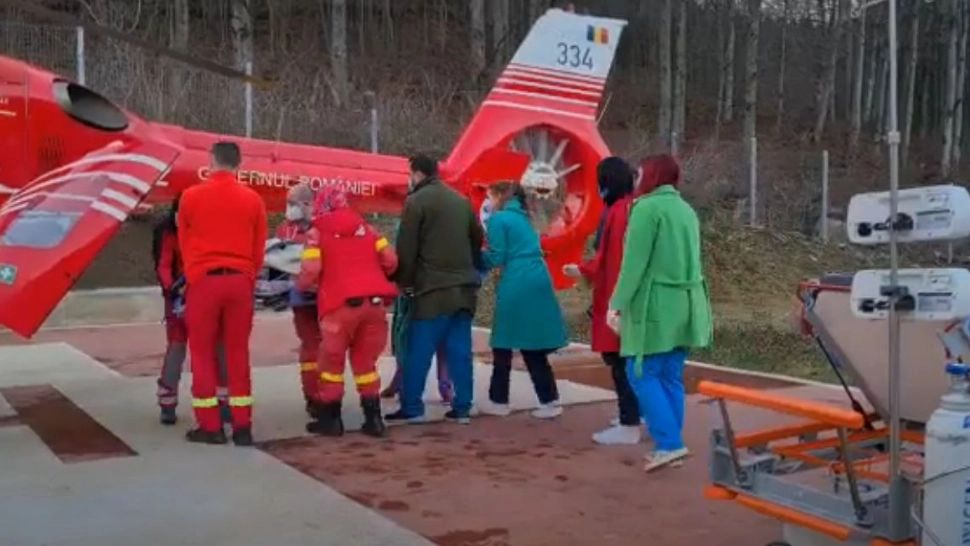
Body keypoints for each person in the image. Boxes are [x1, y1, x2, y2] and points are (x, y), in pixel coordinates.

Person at [608, 154, 713, 471]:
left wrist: (617, 303)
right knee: (669, 375)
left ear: (650, 176)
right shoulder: (686, 210)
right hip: (688, 302)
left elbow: (633, 264)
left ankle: (669, 443)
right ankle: (670, 441)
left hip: (656, 304)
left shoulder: (646, 209)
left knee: (640, 372)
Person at [178, 141, 268, 446]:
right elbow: (259, 248)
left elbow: (184, 241)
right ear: (239, 165)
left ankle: (210, 425)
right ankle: (242, 426)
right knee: (237, 352)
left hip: (204, 280)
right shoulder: (253, 200)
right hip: (241, 280)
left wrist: (194, 273)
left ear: (210, 161)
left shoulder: (191, 197)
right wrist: (248, 276)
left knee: (202, 353)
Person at [385, 155, 484, 424]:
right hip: (464, 290)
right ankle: (462, 406)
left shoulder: (416, 202)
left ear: (416, 173)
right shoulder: (462, 202)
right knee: (460, 352)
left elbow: (406, 249)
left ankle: (413, 407)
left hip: (431, 291)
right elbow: (477, 241)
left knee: (418, 351)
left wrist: (402, 283)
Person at [296, 186, 398, 437]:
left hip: (339, 306)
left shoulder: (316, 232)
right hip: (374, 305)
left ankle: (331, 420)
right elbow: (391, 260)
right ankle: (374, 420)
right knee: (365, 363)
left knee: (331, 363)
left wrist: (301, 286)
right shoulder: (368, 229)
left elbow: (311, 269)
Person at [563, 157, 642, 445]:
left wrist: (582, 270)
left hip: (614, 296)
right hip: (623, 295)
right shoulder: (631, 208)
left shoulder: (617, 213)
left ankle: (629, 421)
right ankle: (634, 414)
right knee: (628, 359)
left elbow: (611, 259)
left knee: (620, 360)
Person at [477, 181, 568, 419]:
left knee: (503, 341)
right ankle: (549, 400)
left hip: (517, 279)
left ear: (499, 195)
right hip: (538, 276)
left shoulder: (499, 219)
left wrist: (475, 256)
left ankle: (499, 400)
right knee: (532, 344)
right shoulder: (524, 218)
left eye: (490, 194)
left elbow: (496, 256)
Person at [276, 182, 322, 417]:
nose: (290, 208)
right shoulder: (286, 228)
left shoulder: (323, 226)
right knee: (310, 346)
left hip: (322, 296)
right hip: (301, 298)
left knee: (324, 348)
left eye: (294, 203)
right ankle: (312, 395)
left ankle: (324, 395)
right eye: (288, 203)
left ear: (308, 204)